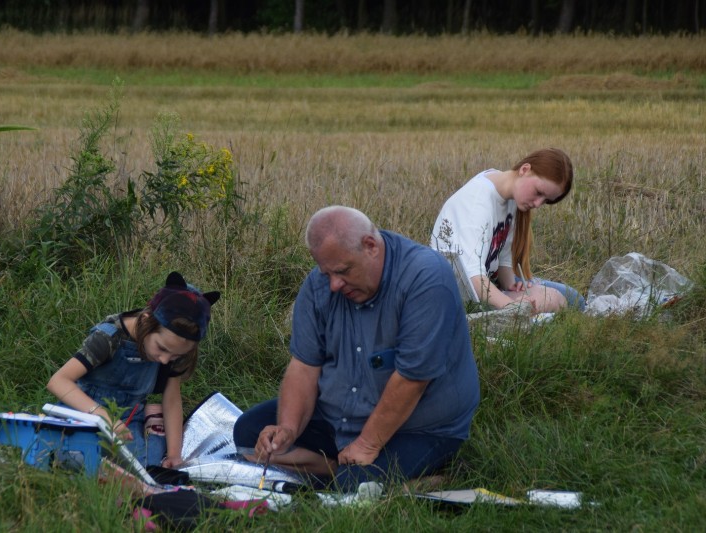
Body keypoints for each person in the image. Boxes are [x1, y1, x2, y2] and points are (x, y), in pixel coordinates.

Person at [233, 206, 480, 491]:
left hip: (418, 427)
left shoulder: (426, 278)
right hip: (337, 415)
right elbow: (303, 367)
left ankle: (426, 479)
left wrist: (366, 444)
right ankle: (335, 468)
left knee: (353, 488)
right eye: (327, 273)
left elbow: (412, 380)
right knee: (248, 433)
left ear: (371, 246)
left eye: (342, 271)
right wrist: (288, 429)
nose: (334, 284)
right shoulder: (318, 286)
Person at [47, 271, 219, 468]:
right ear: (146, 321)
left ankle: (151, 422)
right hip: (83, 411)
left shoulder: (172, 348)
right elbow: (58, 381)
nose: (165, 360)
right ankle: (152, 421)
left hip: (128, 419)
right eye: (162, 348)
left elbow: (172, 399)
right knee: (72, 460)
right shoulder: (109, 337)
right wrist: (104, 417)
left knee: (146, 467)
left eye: (175, 356)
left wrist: (174, 455)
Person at [430, 148, 585, 313]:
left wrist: (511, 285)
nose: (538, 204)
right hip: (461, 295)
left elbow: (502, 258)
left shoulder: (509, 196)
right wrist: (511, 306)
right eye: (539, 193)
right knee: (555, 299)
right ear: (525, 170)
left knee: (573, 298)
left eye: (546, 200)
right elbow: (471, 276)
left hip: (487, 282)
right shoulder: (477, 204)